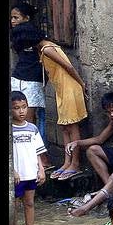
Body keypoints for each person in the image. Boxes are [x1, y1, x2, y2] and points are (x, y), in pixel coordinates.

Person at [38, 35, 88, 180]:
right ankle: (67, 162)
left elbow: (69, 66)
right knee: (64, 127)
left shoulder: (47, 49)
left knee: (72, 126)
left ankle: (75, 164)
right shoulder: (46, 47)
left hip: (69, 89)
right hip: (62, 89)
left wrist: (82, 84)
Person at [9, 3, 50, 162]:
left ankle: (40, 159)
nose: (13, 21)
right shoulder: (20, 36)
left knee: (29, 121)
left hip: (32, 82)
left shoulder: (36, 38)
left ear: (26, 18)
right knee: (22, 120)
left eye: (16, 17)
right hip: (19, 78)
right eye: (12, 18)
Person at [67, 90, 113, 186]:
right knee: (92, 150)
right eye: (109, 112)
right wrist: (77, 142)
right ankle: (108, 186)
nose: (112, 115)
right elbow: (100, 139)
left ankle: (110, 188)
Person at [11, 90, 47, 225]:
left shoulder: (33, 128)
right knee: (13, 205)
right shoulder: (11, 129)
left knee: (30, 203)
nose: (21, 111)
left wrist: (41, 169)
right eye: (16, 108)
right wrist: (13, 171)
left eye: (24, 107)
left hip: (31, 173)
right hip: (16, 175)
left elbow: (38, 152)